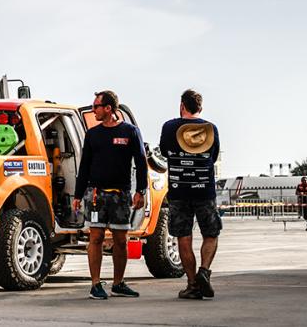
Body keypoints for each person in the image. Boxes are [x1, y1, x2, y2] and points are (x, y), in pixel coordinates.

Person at [74, 90, 147, 300]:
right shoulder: (93, 134)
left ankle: (118, 283)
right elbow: (84, 166)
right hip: (96, 194)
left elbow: (141, 163)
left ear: (108, 108)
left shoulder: (130, 132)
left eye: (96, 106)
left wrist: (140, 191)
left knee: (121, 240)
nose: (93, 110)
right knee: (95, 237)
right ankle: (95, 284)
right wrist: (78, 196)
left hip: (121, 195)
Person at [159, 89, 221, 300]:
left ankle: (192, 284)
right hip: (204, 190)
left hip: (179, 190)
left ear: (181, 106)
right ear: (200, 108)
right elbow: (212, 157)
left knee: (183, 237)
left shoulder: (169, 127)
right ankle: (204, 270)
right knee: (211, 233)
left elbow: (165, 151)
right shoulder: (211, 129)